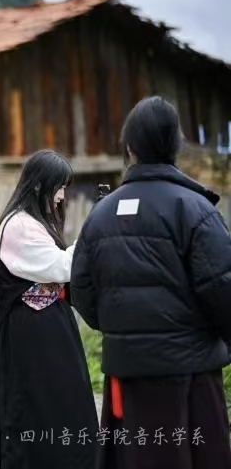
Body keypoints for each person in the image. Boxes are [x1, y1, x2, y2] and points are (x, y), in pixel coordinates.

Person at [71, 96, 231, 469]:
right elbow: (222, 290)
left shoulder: (100, 215)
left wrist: (122, 329)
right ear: (176, 145)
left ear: (130, 148)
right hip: (190, 374)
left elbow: (83, 291)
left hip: (127, 376)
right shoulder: (196, 210)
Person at [0, 149, 98, 469]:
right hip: (29, 341)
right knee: (35, 415)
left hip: (46, 335)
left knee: (59, 412)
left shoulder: (32, 222)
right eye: (59, 187)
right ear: (39, 186)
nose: (62, 196)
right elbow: (62, 267)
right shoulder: (19, 226)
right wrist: (94, 233)